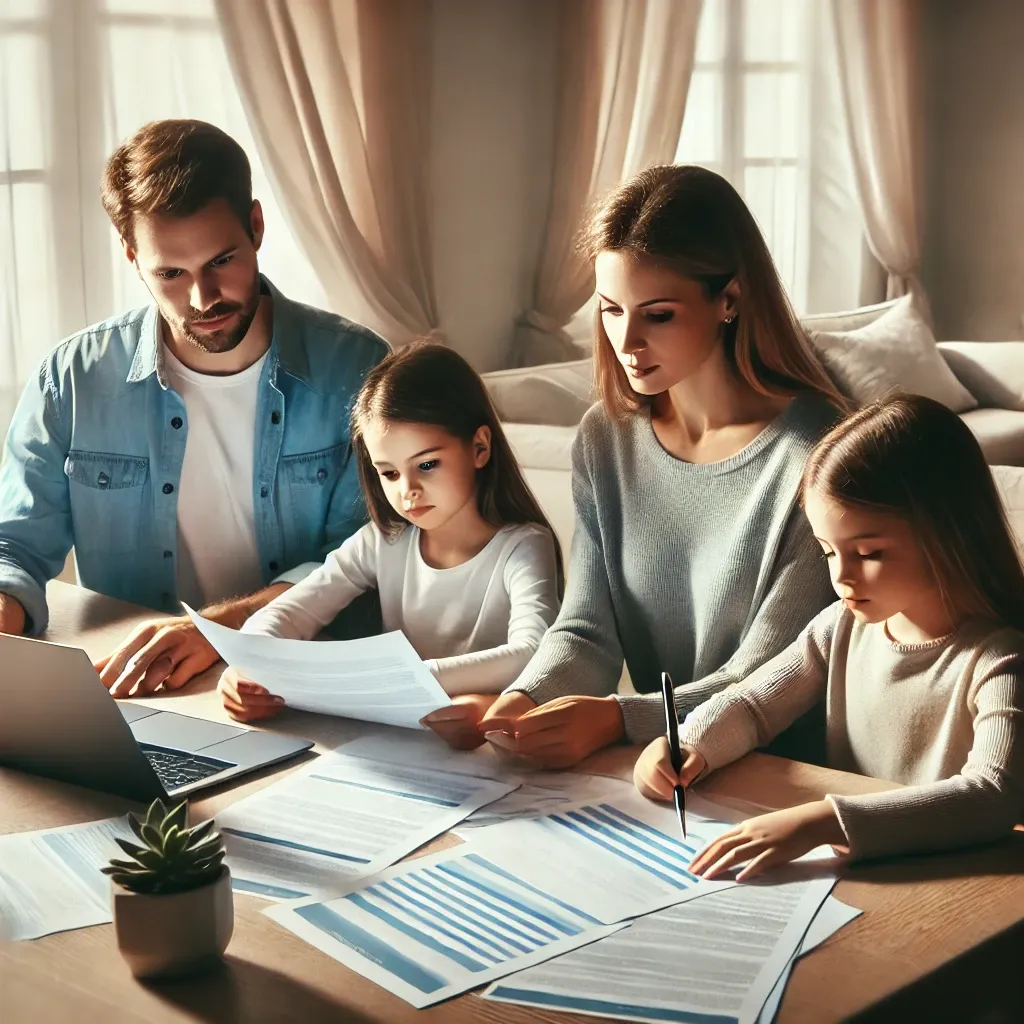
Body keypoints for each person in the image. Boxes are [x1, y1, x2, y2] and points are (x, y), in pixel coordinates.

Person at [469, 164, 847, 768]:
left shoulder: (818, 453)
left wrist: (618, 717)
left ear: (729, 298)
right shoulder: (605, 437)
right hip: (653, 768)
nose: (627, 341)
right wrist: (520, 700)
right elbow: (587, 631)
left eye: (658, 314)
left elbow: (765, 679)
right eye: (611, 310)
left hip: (776, 775)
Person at [0, 119, 387, 697]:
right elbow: (14, 548)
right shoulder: (73, 379)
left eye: (221, 262)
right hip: (134, 691)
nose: (202, 299)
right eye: (171, 274)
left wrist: (217, 632)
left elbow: (369, 561)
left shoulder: (358, 370)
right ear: (133, 257)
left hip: (298, 688)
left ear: (256, 227)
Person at [635, 394, 1024, 878]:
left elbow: (994, 794)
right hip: (859, 876)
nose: (843, 578)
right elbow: (754, 707)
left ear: (949, 531)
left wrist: (824, 821)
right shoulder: (839, 625)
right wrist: (690, 744)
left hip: (953, 886)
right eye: (828, 552)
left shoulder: (1000, 659)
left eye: (868, 553)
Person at [218, 342, 562, 744]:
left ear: (480, 448)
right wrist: (250, 667)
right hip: (390, 743)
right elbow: (288, 614)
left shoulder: (522, 546)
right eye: (389, 473)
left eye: (427, 465)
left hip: (487, 752)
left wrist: (401, 676)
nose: (408, 491)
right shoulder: (383, 540)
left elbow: (534, 650)